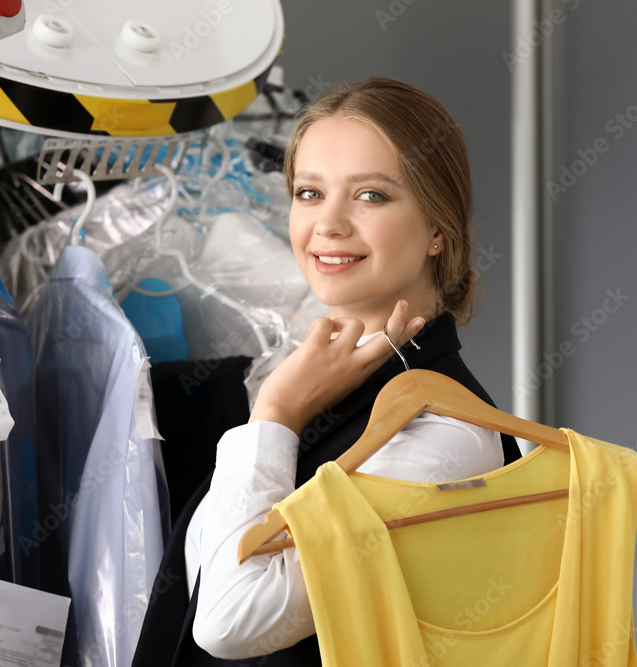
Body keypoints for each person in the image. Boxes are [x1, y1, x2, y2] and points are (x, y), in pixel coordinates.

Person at [134, 77, 521, 665]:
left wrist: (277, 414)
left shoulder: (443, 438)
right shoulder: (320, 382)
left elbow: (227, 622)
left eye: (370, 196)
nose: (329, 224)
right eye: (310, 192)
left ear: (438, 230)